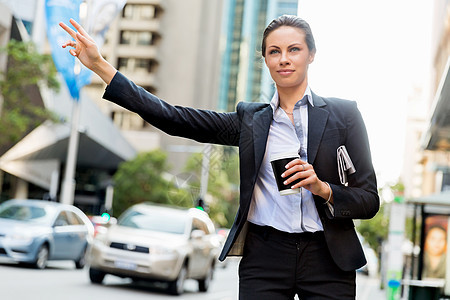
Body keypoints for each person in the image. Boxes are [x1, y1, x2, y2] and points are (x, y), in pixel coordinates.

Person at [60, 15, 379, 299]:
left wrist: (322, 188)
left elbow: (368, 199)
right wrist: (101, 66)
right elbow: (173, 118)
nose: (284, 59)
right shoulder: (250, 120)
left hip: (328, 257)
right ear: (265, 61)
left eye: (294, 49)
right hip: (265, 255)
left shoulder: (344, 114)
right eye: (274, 51)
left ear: (311, 55)